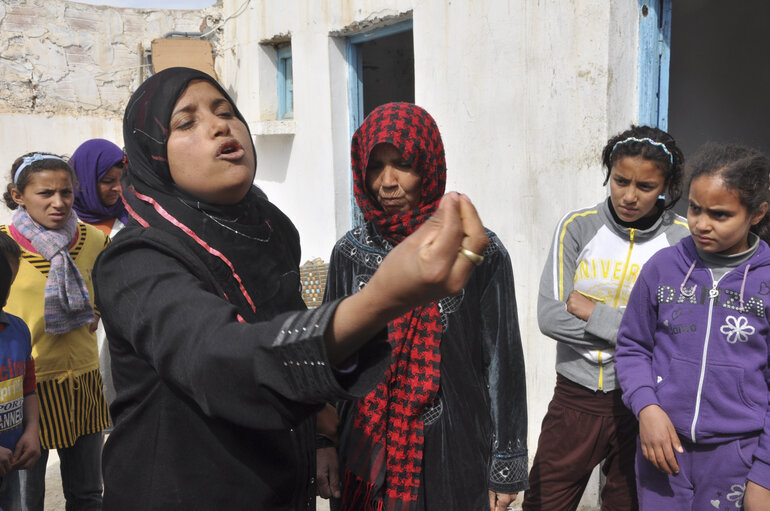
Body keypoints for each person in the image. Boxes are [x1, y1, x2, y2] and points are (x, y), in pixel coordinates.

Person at [91, 67, 488, 511]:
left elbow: (287, 339)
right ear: (151, 155)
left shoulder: (270, 232)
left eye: (225, 111)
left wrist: (319, 435)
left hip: (280, 489)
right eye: (186, 122)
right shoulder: (134, 260)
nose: (219, 125)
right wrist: (382, 300)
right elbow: (215, 359)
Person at [314, 102, 528, 511]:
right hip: (366, 446)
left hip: (456, 442)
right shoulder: (350, 254)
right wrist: (325, 442)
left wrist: (506, 463)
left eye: (403, 164)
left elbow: (502, 360)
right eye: (376, 166)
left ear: (428, 165)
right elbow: (331, 360)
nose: (387, 182)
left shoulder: (476, 250)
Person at [522, 126, 690, 511]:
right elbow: (550, 316)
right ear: (608, 175)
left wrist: (592, 311)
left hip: (643, 403)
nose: (629, 196)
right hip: (574, 399)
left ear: (666, 186)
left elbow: (679, 333)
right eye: (620, 181)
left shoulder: (682, 241)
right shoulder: (577, 227)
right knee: (543, 502)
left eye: (646, 186)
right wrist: (642, 330)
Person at [616, 143, 770, 511]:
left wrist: (763, 474)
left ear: (757, 214)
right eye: (695, 208)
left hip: (737, 455)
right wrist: (647, 409)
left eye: (720, 214)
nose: (701, 223)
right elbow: (633, 346)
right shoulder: (663, 266)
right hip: (663, 447)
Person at [1, 152, 110, 510]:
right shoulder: (5, 247)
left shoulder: (94, 241)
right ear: (18, 195)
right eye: (45, 193)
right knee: (25, 499)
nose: (58, 202)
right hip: (23, 389)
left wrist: (94, 307)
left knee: (87, 494)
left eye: (66, 192)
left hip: (82, 382)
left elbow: (108, 293)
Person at [69, 138, 128, 407]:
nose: (117, 188)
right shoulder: (62, 225)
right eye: (107, 181)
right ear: (84, 180)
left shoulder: (132, 220)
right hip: (75, 336)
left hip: (123, 330)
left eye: (121, 179)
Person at [0, 231, 41, 511]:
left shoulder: (18, 330)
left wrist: (32, 429)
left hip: (11, 462)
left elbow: (28, 387)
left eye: (9, 283)